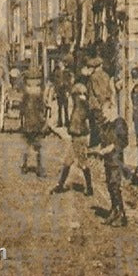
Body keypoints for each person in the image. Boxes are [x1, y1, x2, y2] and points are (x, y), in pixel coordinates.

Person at [51, 66, 94, 195]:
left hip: (79, 136)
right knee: (68, 161)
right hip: (76, 135)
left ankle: (89, 188)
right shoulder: (81, 104)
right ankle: (60, 185)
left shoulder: (81, 105)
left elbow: (79, 121)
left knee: (82, 162)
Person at [92, 100, 129, 226]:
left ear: (111, 109)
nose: (103, 115)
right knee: (110, 185)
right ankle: (114, 210)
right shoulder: (107, 125)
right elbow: (103, 139)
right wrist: (99, 149)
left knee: (115, 186)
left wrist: (111, 147)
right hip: (108, 161)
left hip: (116, 160)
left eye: (104, 112)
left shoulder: (119, 123)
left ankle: (122, 215)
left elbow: (123, 141)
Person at [19, 69, 46, 177]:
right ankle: (39, 167)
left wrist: (22, 121)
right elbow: (42, 109)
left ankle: (25, 166)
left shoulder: (26, 95)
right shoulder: (39, 95)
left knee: (27, 145)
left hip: (28, 123)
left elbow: (22, 110)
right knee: (38, 146)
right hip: (37, 123)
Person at [85, 56, 113, 146]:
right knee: (104, 126)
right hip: (105, 105)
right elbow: (109, 91)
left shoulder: (93, 77)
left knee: (95, 128)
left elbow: (97, 92)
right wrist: (107, 103)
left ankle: (96, 147)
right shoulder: (106, 75)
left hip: (95, 105)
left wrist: (101, 104)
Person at [53, 61, 70, 127]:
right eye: (59, 64)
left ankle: (67, 122)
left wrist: (68, 91)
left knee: (66, 107)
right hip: (59, 91)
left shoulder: (67, 72)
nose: (60, 65)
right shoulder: (56, 72)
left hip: (65, 90)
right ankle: (60, 122)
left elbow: (69, 83)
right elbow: (55, 83)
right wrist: (55, 92)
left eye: (61, 64)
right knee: (59, 107)